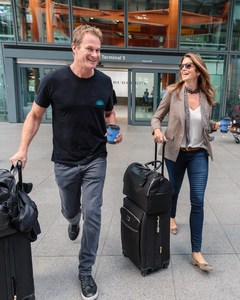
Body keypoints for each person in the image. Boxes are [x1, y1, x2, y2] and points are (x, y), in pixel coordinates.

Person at [10, 24, 123, 300]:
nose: (95, 54)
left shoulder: (104, 82)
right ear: (74, 48)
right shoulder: (54, 80)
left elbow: (110, 113)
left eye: (98, 50)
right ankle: (73, 221)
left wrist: (114, 130)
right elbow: (35, 116)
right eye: (90, 49)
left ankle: (85, 271)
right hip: (64, 161)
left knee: (93, 214)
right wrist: (22, 149)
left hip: (96, 157)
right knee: (71, 209)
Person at [151, 52, 220, 272]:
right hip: (175, 152)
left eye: (188, 65)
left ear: (198, 70)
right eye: (182, 65)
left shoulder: (207, 96)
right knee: (174, 190)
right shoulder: (173, 92)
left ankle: (196, 252)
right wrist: (156, 130)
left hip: (198, 152)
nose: (183, 68)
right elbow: (156, 116)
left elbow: (204, 123)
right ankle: (171, 216)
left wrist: (214, 125)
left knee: (198, 200)